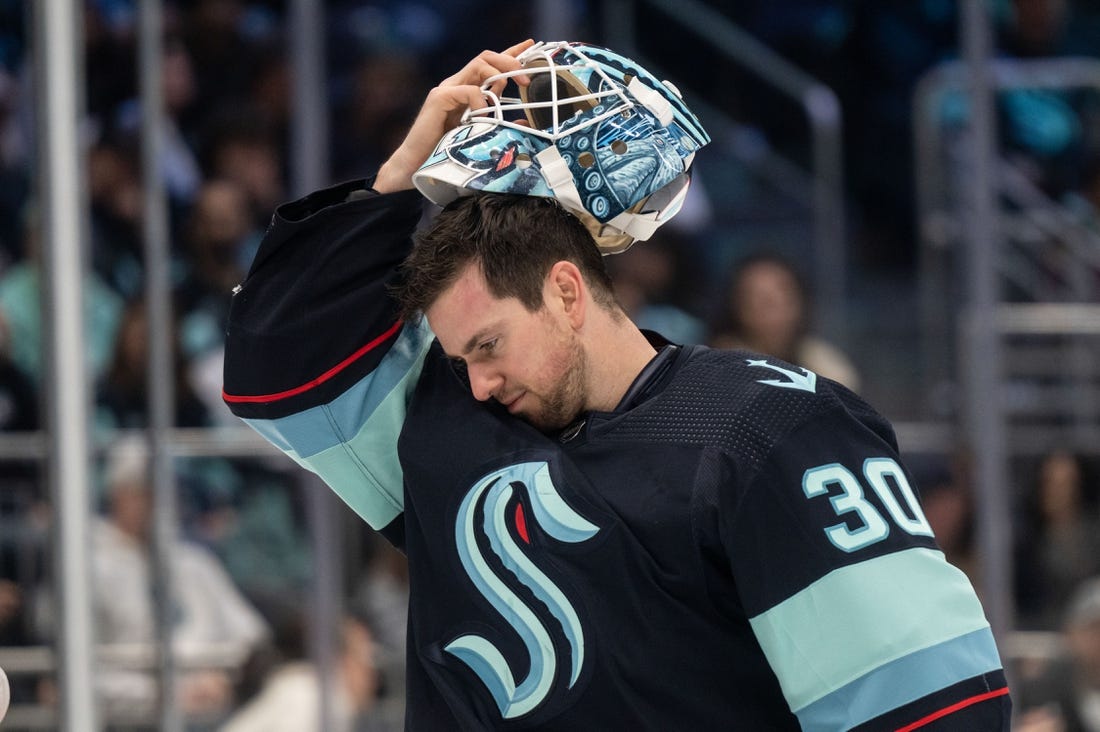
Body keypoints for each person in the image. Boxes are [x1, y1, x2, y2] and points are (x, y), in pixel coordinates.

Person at [223, 40, 1010, 729]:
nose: (479, 381)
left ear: (567, 292)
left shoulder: (773, 427)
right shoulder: (445, 424)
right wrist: (397, 188)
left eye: (490, 344)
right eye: (461, 358)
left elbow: (927, 704)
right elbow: (275, 373)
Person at [709, 252, 862, 392]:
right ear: (736, 306)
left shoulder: (825, 364)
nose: (775, 308)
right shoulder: (717, 368)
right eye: (761, 299)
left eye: (783, 295)